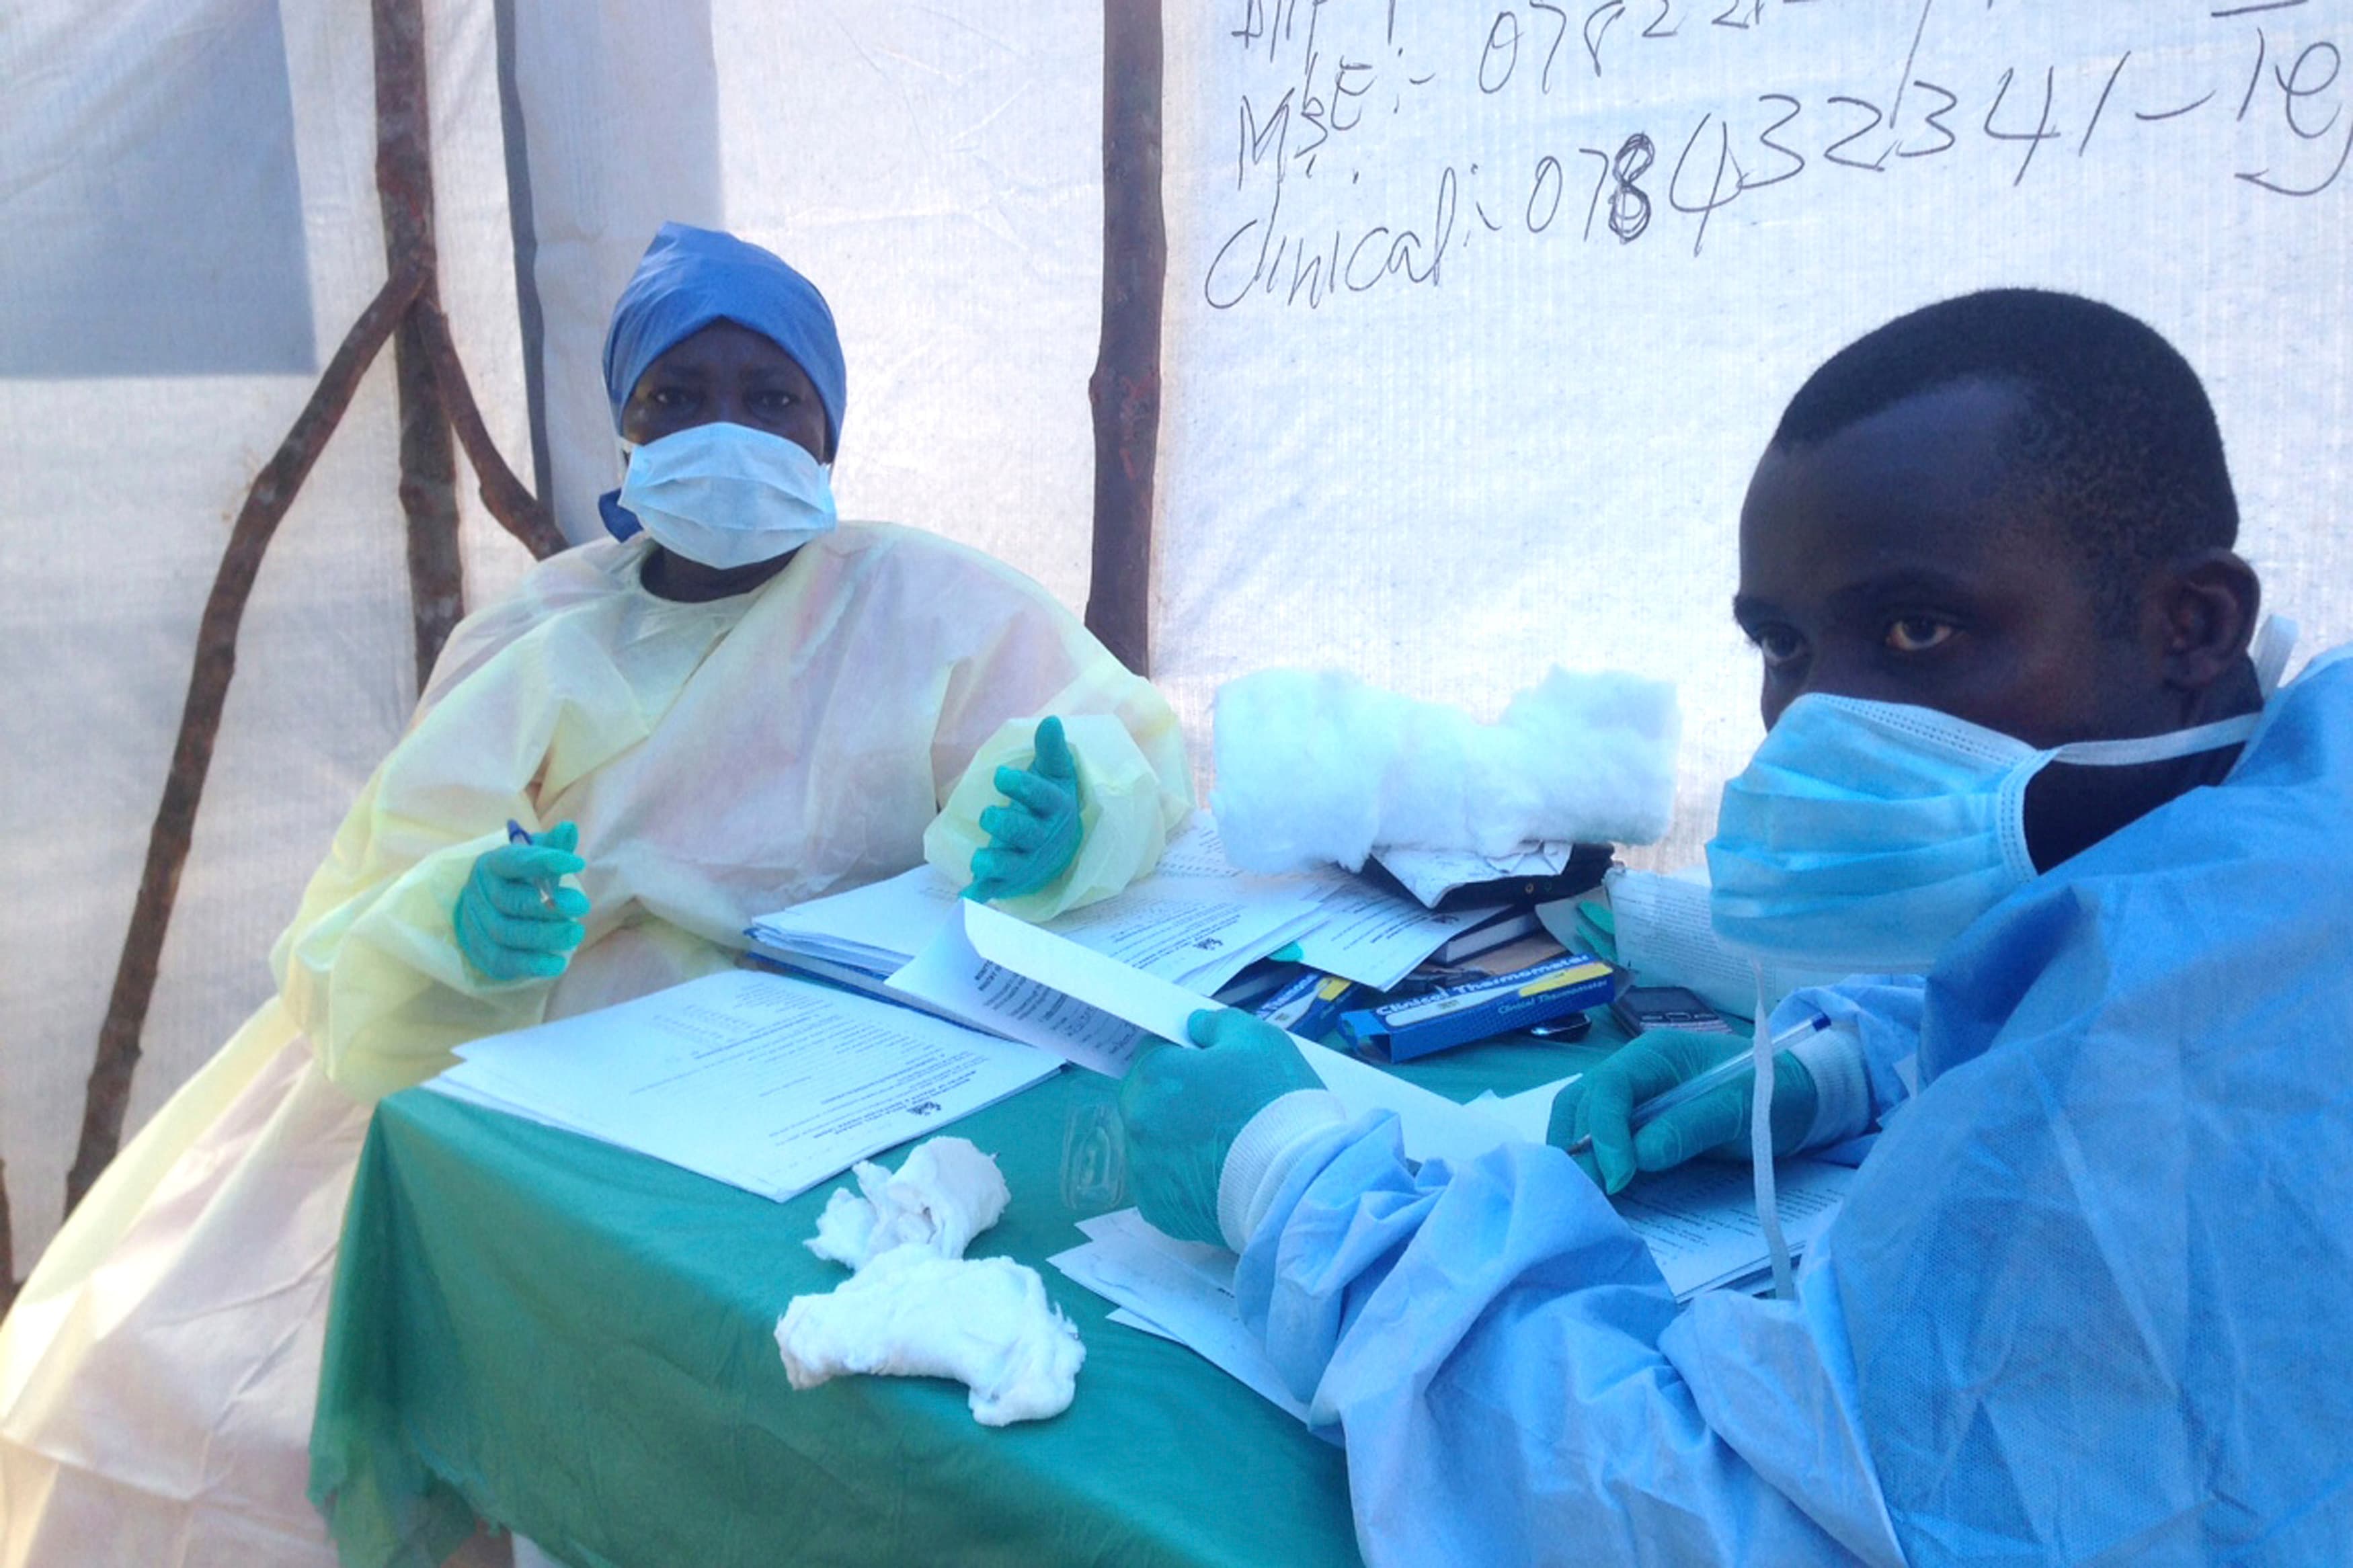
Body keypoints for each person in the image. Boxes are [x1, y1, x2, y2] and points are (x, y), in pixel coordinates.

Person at [0, 222, 1191, 1567]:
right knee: (204, 1395)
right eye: (676, 398)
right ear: (623, 431)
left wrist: (1070, 818)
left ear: (827, 431)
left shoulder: (925, 599)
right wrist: (455, 924)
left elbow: (1122, 748)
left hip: (861, 1058)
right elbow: (365, 902)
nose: (726, 429)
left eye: (769, 397)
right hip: (547, 1051)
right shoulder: (540, 635)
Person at [1119, 289, 2352, 1565]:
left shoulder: (2153, 1073)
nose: (1813, 723)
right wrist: (1857, 1063)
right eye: (1782, 643)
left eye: (1917, 628)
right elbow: (2117, 950)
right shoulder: (2303, 789)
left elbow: (1734, 1526)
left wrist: (1297, 1186)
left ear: (2189, 626)